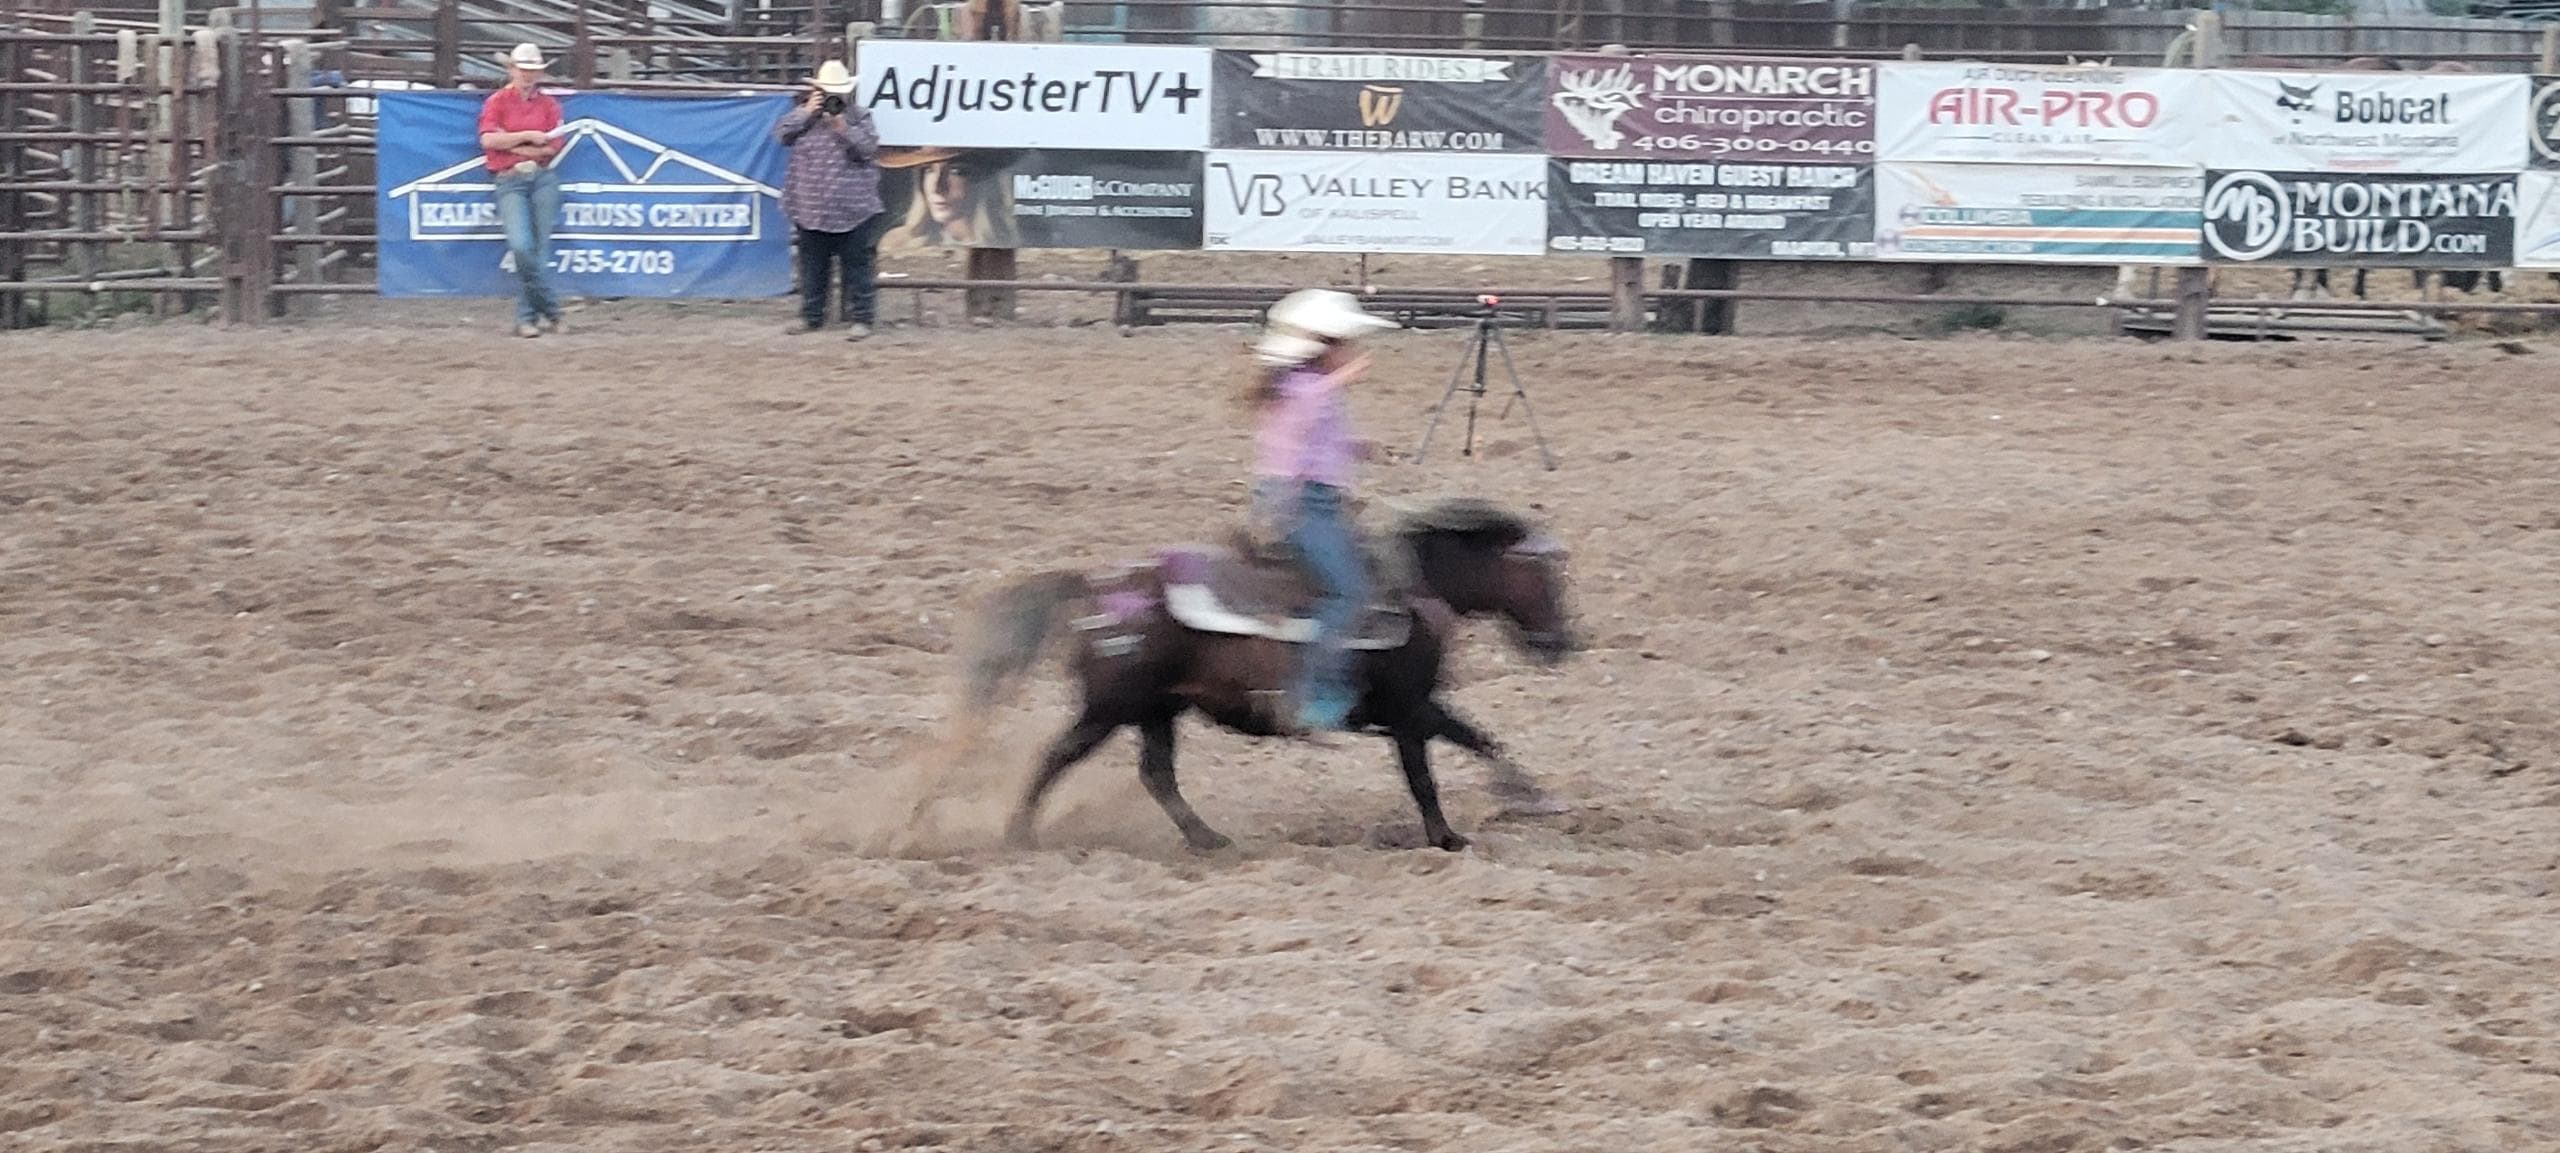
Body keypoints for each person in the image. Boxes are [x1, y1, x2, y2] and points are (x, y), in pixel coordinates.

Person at [1246, 289, 1398, 734]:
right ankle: (1312, 693)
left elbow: (1313, 439)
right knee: (1348, 592)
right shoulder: (1305, 389)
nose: (1352, 352)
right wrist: (1341, 379)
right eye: (1344, 344)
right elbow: (1291, 440)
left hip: (1315, 502)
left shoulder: (1304, 387)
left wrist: (1357, 447)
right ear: (1324, 347)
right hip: (1301, 505)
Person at [775, 59, 885, 340]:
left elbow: (868, 148)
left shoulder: (859, 117)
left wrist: (842, 126)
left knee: (857, 267)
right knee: (812, 267)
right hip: (810, 206)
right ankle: (811, 316)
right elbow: (781, 134)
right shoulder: (803, 117)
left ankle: (862, 318)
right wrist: (807, 111)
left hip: (853, 207)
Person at [476, 42, 565, 338]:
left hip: (535, 177)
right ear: (512, 70)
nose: (528, 75)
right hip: (515, 178)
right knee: (524, 247)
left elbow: (552, 146)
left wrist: (511, 143)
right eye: (524, 70)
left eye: (532, 70)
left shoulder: (548, 105)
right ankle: (551, 310)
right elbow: (489, 140)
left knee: (532, 249)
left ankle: (527, 318)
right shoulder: (498, 101)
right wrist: (529, 138)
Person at [879, 147, 1022, 251]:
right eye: (928, 170)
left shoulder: (1013, 244)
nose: (937, 187)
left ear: (984, 180)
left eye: (956, 171)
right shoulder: (898, 243)